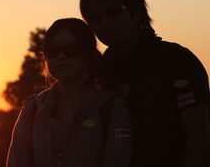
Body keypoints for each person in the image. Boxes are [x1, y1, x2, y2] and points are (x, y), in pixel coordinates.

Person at [79, 0, 210, 167]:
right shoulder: (97, 74)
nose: (104, 23)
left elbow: (198, 137)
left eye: (113, 12)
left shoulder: (177, 61)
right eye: (95, 18)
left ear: (137, 12)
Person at [7, 18, 131, 167]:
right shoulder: (32, 109)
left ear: (89, 56)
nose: (61, 56)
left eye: (72, 50)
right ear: (45, 56)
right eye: (53, 50)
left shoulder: (110, 106)